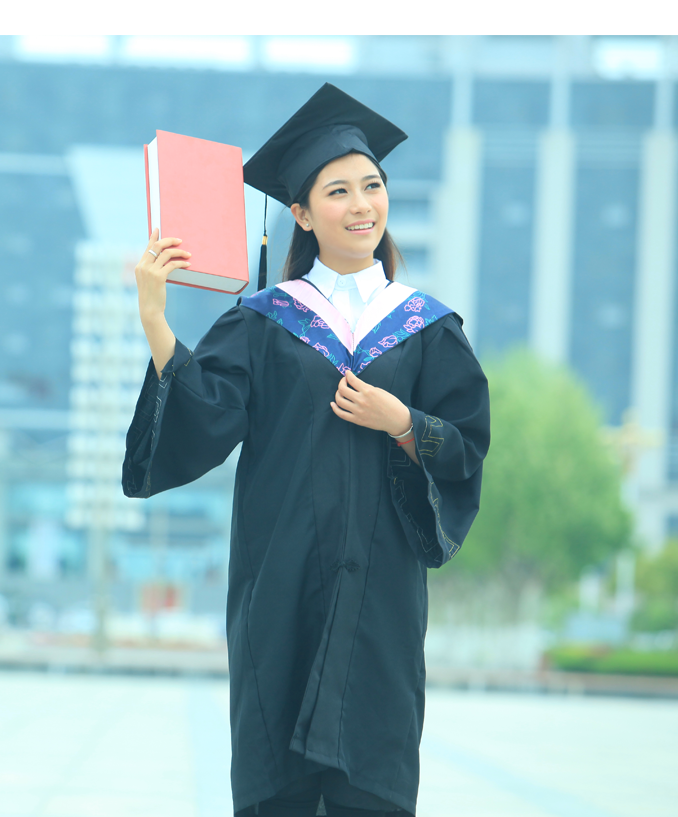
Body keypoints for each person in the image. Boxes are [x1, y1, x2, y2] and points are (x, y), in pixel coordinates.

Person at [123, 84, 491, 817]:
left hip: (380, 604)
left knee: (372, 783)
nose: (362, 205)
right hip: (279, 594)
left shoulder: (425, 326)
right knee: (277, 786)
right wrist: (156, 319)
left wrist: (401, 421)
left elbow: (466, 448)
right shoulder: (266, 321)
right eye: (338, 191)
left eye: (373, 186)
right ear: (300, 212)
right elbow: (205, 416)